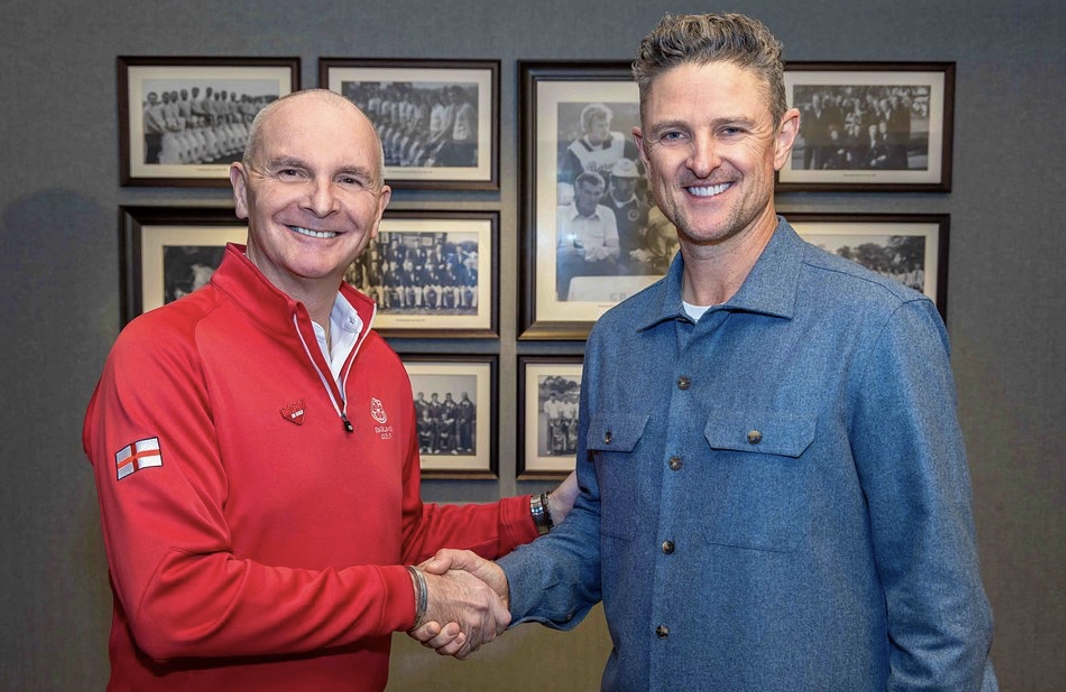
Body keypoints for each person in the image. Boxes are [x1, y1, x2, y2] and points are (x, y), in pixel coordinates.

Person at [415, 13, 999, 691]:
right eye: (673, 134)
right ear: (643, 151)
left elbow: (944, 616)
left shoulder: (877, 329)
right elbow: (605, 530)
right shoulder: (617, 339)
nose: (700, 159)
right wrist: (505, 585)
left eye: (730, 129)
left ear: (782, 139)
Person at [83, 88, 577, 692]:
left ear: (379, 206)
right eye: (292, 171)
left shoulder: (380, 369)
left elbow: (395, 539)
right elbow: (174, 603)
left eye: (349, 179)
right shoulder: (162, 352)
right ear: (242, 189)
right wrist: (412, 596)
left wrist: (542, 513)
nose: (321, 202)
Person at [555, 170, 621, 300]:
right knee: (570, 263)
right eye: (588, 192)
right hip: (570, 263)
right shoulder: (560, 214)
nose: (592, 199)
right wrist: (570, 252)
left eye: (597, 194)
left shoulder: (607, 213)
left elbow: (616, 251)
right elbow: (550, 251)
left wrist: (603, 251)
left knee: (609, 265)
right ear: (577, 191)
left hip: (597, 264)